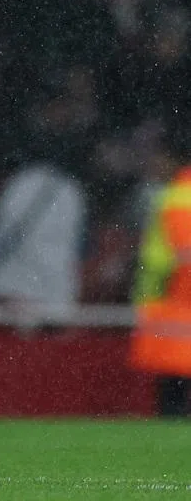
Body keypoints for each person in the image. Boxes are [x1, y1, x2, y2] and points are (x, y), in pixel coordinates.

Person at [130, 161, 191, 416]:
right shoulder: (181, 198)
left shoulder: (175, 196)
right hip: (176, 299)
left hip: (169, 297)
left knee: (173, 381)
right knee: (176, 376)